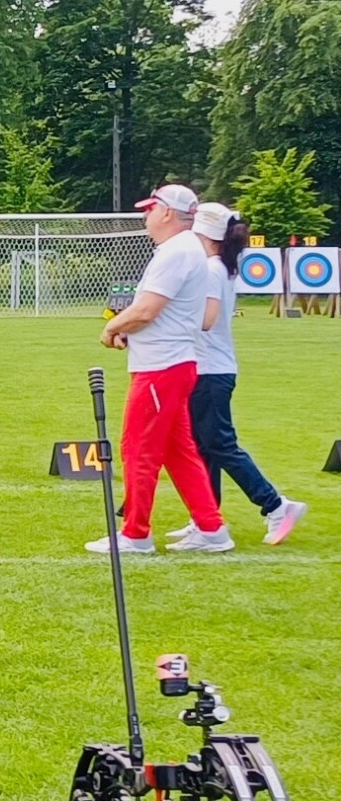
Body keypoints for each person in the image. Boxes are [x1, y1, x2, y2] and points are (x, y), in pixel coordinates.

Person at [89, 184, 231, 554]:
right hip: (170, 365)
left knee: (137, 449)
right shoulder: (184, 250)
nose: (145, 215)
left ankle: (136, 534)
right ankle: (212, 528)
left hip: (161, 369)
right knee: (178, 451)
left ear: (167, 212)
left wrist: (112, 327)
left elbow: (147, 309)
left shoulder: (176, 251)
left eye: (150, 208)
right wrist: (127, 331)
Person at [173, 203, 307, 547]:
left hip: (211, 371)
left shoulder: (213, 269)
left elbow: (206, 319)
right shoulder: (221, 267)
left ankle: (275, 505)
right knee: (206, 448)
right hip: (209, 369)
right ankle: (206, 519)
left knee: (221, 446)